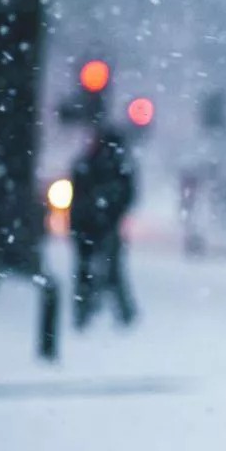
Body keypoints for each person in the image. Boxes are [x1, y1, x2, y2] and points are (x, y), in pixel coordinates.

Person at [70, 120, 137, 330]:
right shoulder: (116, 166)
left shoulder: (89, 164)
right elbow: (127, 195)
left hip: (89, 226)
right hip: (99, 225)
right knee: (110, 269)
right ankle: (119, 313)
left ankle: (85, 311)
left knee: (89, 270)